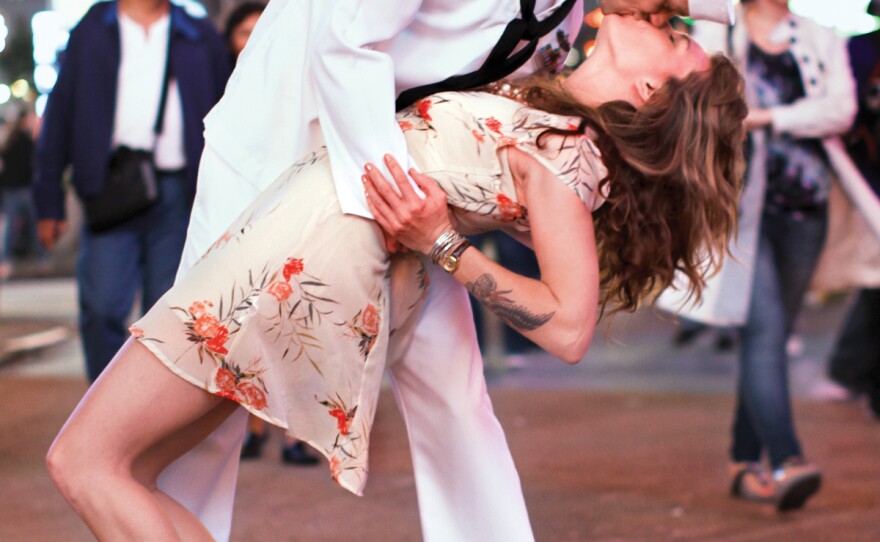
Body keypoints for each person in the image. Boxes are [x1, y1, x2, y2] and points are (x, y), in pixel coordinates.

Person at [46, 13, 746, 539]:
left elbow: (569, 328)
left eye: (679, 34)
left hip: (307, 249)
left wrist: (443, 243)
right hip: (305, 230)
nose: (671, 19)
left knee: (86, 460)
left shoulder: (568, 156)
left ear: (653, 88)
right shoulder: (552, 91)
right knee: (118, 465)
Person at [661, 0, 880, 512]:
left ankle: (743, 462)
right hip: (737, 215)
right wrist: (786, 120)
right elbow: (703, 112)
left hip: (808, 209)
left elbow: (840, 110)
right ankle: (787, 459)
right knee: (763, 334)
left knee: (772, 336)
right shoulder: (714, 37)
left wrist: (760, 117)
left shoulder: (820, 34)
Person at [32, 0, 231, 382]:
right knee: (102, 308)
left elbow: (228, 114)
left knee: (168, 317)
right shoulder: (92, 29)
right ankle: (105, 414)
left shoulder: (197, 33)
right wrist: (49, 201)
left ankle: (151, 425)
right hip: (111, 187)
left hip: (179, 193)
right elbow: (59, 115)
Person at [825, 0, 880, 419]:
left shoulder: (857, 49)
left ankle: (850, 369)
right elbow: (843, 116)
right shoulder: (858, 51)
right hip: (867, 184)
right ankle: (854, 372)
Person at [0, 107, 39, 277]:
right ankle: (41, 257)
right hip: (22, 187)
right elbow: (29, 166)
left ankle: (5, 258)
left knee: (13, 226)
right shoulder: (25, 140)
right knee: (34, 222)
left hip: (11, 187)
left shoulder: (10, 140)